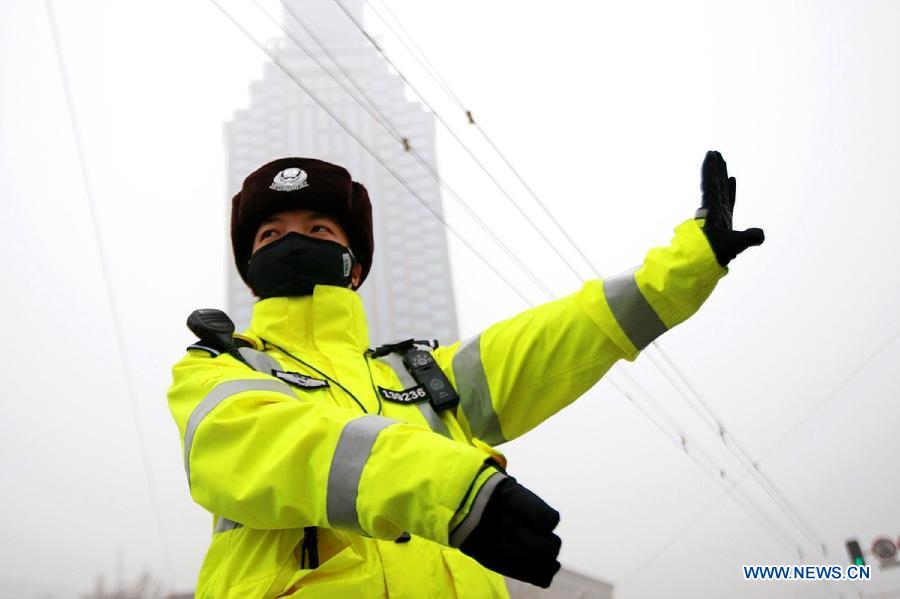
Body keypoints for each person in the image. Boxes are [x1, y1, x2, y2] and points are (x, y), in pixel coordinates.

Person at [167, 152, 764, 598]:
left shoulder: (422, 374)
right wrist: (453, 492)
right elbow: (267, 446)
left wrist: (690, 264)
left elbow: (558, 337)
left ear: (355, 267)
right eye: (272, 235)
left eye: (319, 230)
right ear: (251, 274)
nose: (294, 242)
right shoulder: (220, 367)